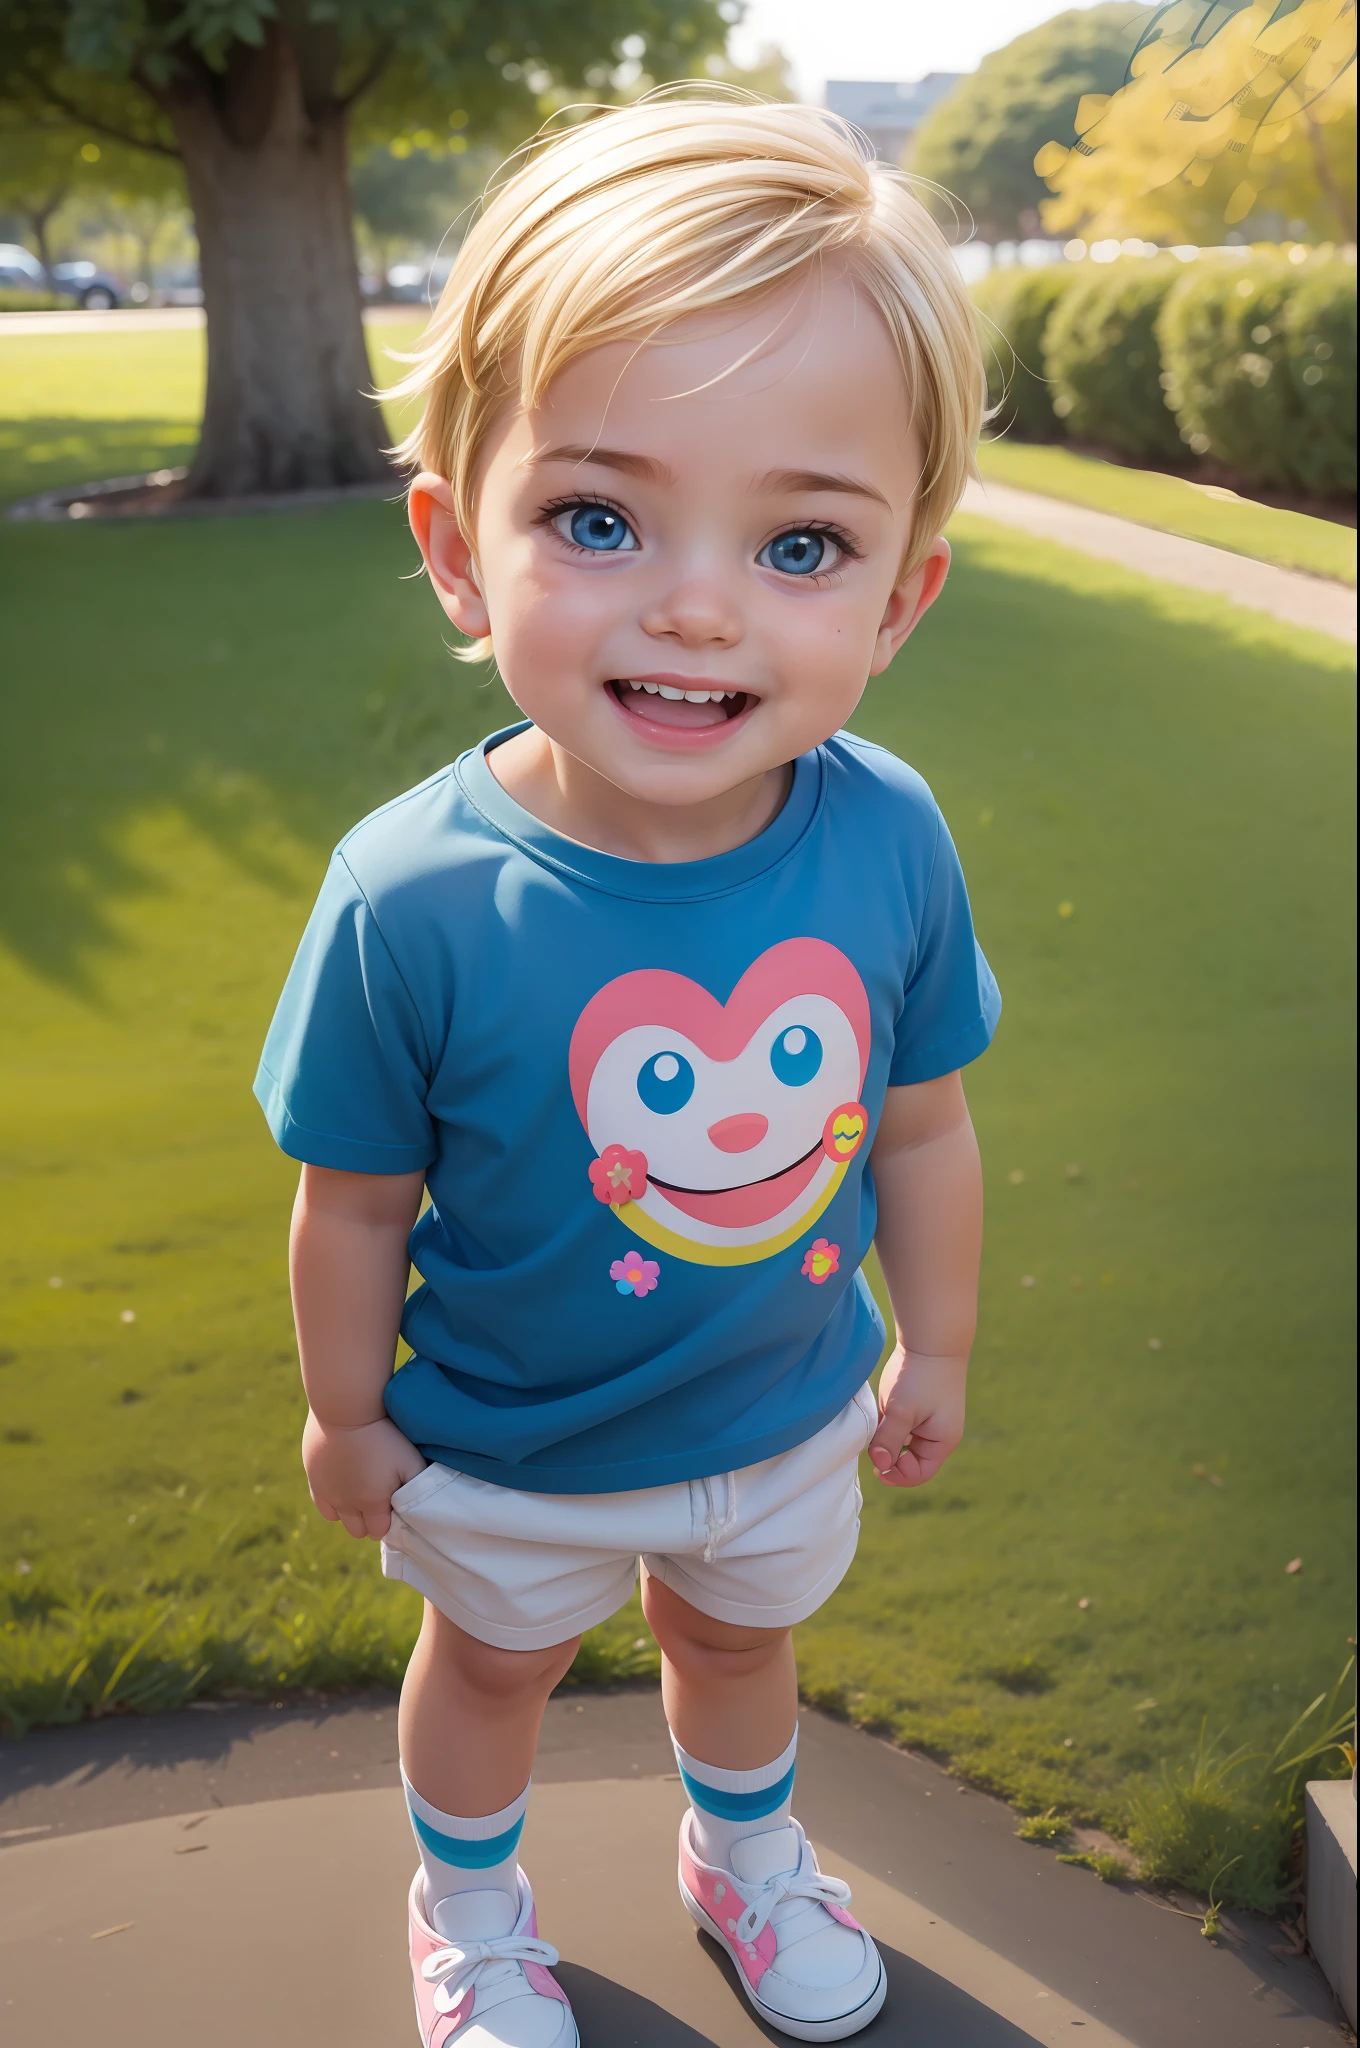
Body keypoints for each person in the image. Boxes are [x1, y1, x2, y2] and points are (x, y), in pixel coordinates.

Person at [255, 91, 999, 2047]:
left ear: (897, 596)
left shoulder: (884, 834)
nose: (692, 600)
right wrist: (347, 1416)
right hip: (503, 1454)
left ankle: (741, 1864)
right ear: (456, 546)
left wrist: (933, 1347)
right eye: (597, 516)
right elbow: (353, 1196)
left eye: (798, 540)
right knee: (487, 1676)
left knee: (738, 1643)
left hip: (776, 1419)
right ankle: (473, 1913)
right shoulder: (409, 896)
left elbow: (917, 1119)